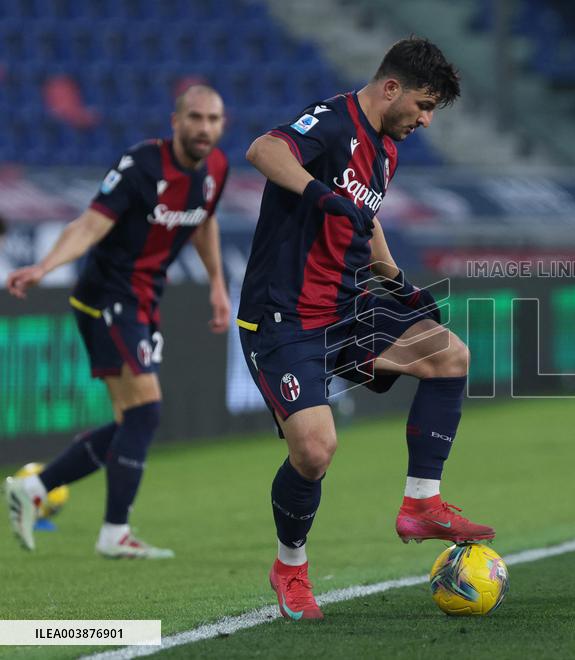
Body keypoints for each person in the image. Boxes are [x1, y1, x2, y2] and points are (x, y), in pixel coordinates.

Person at [238, 37, 493, 621]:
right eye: (423, 106)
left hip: (346, 306)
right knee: (314, 450)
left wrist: (397, 281)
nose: (426, 121)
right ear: (391, 88)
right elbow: (263, 150)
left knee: (449, 355)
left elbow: (365, 218)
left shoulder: (386, 150)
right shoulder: (332, 121)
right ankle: (290, 566)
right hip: (283, 316)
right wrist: (318, 193)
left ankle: (421, 503)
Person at [4, 85, 231, 559]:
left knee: (133, 420)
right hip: (106, 295)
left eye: (213, 119)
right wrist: (45, 267)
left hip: (146, 298)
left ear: (222, 125)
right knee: (145, 413)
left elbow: (204, 221)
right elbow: (90, 223)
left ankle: (35, 489)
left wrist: (216, 283)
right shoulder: (141, 165)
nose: (204, 128)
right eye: (195, 117)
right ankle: (113, 531)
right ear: (175, 121)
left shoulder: (216, 170)